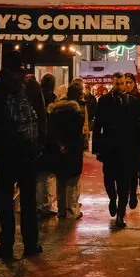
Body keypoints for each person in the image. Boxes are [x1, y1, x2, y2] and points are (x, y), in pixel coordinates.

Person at [0, 49, 42, 260]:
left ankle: (6, 244)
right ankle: (31, 243)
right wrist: (37, 147)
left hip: (6, 152)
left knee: (5, 197)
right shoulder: (32, 86)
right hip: (28, 151)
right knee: (28, 198)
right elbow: (42, 118)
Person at [92, 71, 140, 229]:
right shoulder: (104, 101)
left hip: (127, 148)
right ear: (112, 83)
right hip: (109, 148)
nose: (120, 86)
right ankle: (112, 198)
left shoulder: (132, 101)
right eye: (117, 83)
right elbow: (98, 126)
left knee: (124, 183)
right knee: (109, 179)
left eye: (122, 83)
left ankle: (121, 214)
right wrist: (96, 148)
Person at [47, 80, 87, 220]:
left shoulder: (55, 111)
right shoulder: (77, 112)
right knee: (71, 181)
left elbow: (51, 131)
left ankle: (61, 210)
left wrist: (59, 145)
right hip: (73, 150)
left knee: (60, 180)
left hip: (57, 149)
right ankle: (71, 210)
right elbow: (77, 134)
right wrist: (69, 146)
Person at [36, 73, 58, 216]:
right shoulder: (52, 100)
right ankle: (44, 204)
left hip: (37, 139)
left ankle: (39, 203)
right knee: (46, 176)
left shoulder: (36, 97)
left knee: (38, 175)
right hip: (48, 140)